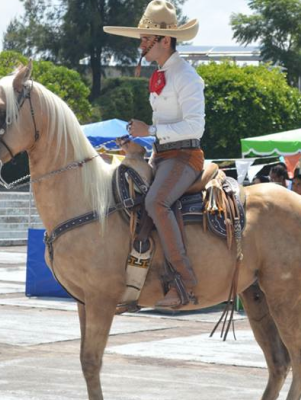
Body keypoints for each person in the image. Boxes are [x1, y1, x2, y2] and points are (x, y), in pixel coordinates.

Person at [104, 0, 205, 308]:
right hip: (161, 156)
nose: (141, 44)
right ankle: (138, 282)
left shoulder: (187, 77)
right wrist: (140, 145)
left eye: (146, 39)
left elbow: (195, 127)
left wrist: (149, 132)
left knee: (156, 201)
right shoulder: (162, 74)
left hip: (185, 158)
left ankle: (187, 284)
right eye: (141, 39)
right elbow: (163, 128)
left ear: (165, 40)